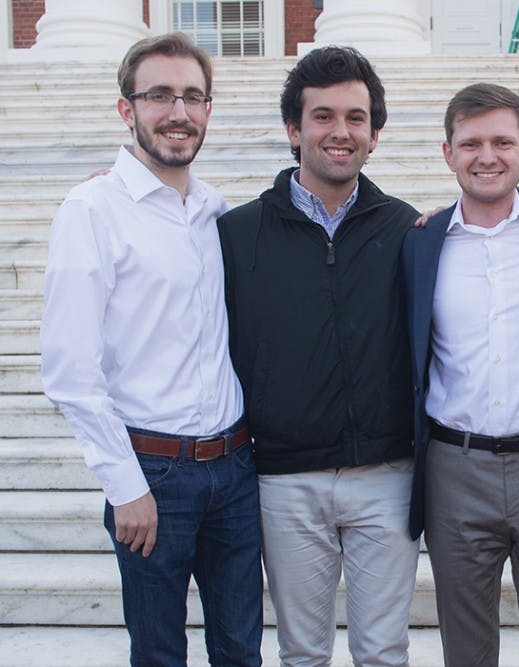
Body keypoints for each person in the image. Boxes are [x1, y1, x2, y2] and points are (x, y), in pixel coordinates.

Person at [40, 33, 262, 666]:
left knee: (241, 652)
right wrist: (123, 485)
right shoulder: (92, 211)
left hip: (235, 468)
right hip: (152, 475)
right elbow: (70, 373)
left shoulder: (214, 210)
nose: (178, 112)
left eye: (193, 96)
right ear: (126, 109)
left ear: (209, 110)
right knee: (160, 653)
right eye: (159, 95)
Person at [216, 47, 420, 667]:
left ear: (374, 135)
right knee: (302, 653)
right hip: (284, 480)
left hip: (386, 478)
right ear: (293, 129)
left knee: (383, 652)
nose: (340, 131)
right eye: (323, 116)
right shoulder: (236, 233)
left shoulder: (407, 228)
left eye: (356, 118)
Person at [402, 83, 519, 667]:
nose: (488, 156)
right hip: (456, 468)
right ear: (447, 153)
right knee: (467, 650)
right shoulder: (419, 239)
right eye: (471, 143)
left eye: (503, 142)